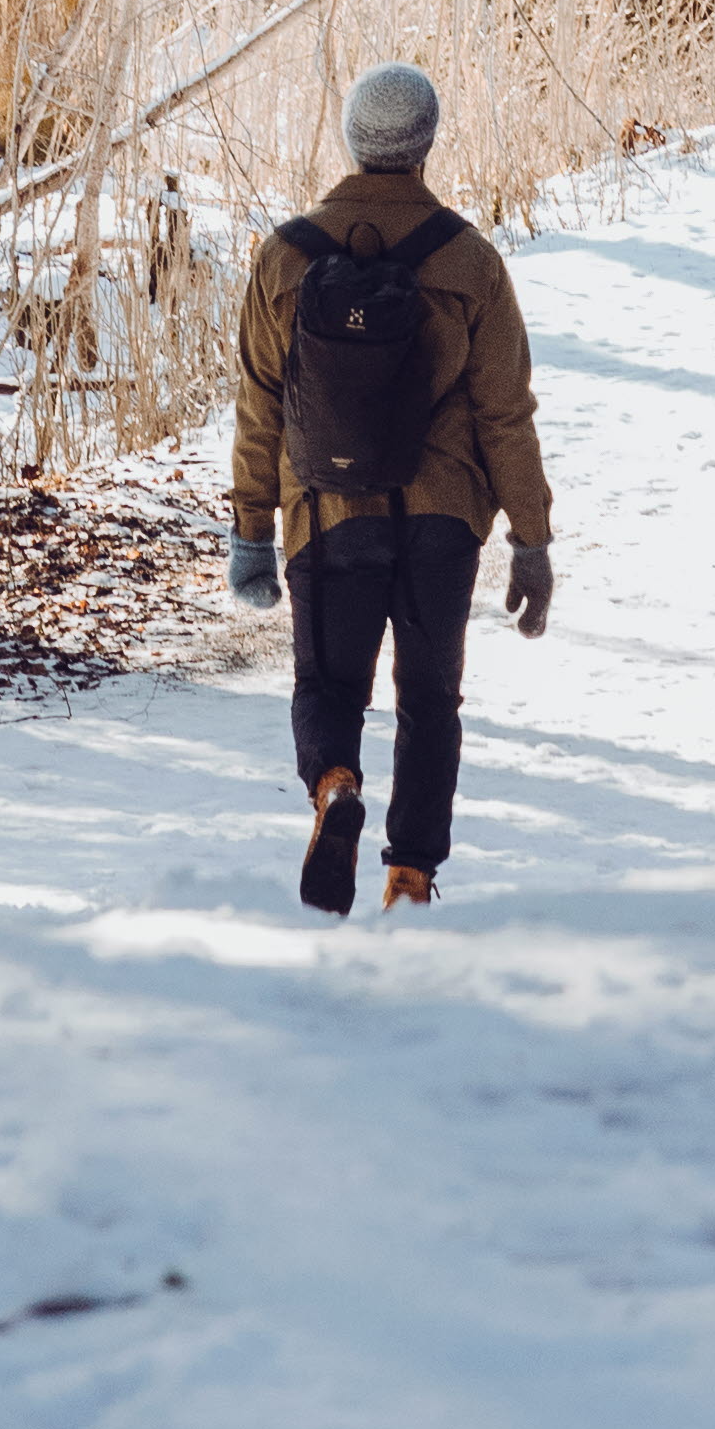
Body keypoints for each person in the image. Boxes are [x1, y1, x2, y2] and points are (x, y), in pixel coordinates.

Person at [228, 61, 554, 914]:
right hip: (442, 521)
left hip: (331, 517)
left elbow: (259, 406)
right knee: (429, 701)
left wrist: (252, 530)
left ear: (352, 139)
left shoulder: (283, 257)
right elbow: (505, 414)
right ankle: (409, 874)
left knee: (329, 686)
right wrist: (532, 536)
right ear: (426, 142)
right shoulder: (472, 262)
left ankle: (335, 783)